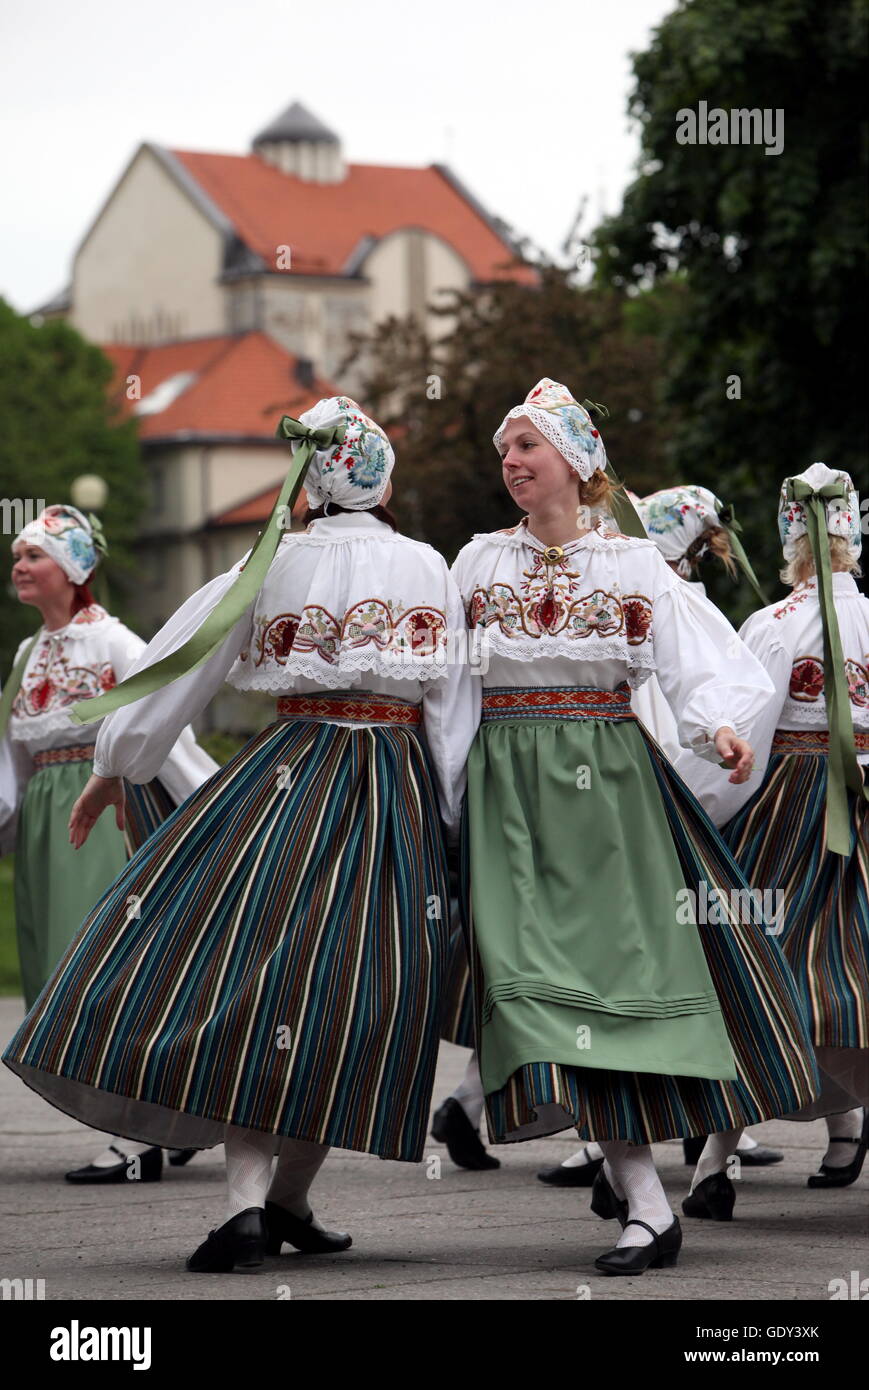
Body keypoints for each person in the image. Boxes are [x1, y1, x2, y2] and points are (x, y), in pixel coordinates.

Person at [3, 398, 479, 1273]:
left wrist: (119, 759)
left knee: (257, 987)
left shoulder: (270, 563)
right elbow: (452, 711)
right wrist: (455, 823)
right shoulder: (429, 567)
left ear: (314, 479)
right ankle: (269, 1204)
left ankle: (262, 1208)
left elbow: (175, 669)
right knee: (358, 1002)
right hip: (394, 794)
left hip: (289, 777)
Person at [451, 378, 818, 1276]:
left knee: (607, 994)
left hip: (607, 788)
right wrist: (444, 795)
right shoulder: (473, 564)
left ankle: (646, 1205)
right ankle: (642, 1198)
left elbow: (704, 660)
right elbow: (448, 694)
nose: (510, 463)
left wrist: (718, 727)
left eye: (527, 448)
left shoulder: (630, 566)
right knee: (531, 990)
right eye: (504, 451)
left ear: (578, 464)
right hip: (509, 793)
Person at [538, 484, 782, 1188]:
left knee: (634, 963)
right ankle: (648, 1137)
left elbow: (690, 719)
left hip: (644, 805)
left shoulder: (655, 597)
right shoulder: (652, 593)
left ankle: (634, 1136)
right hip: (649, 803)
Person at [0, 504, 218, 1183]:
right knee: (54, 966)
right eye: (19, 555)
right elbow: (15, 756)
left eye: (35, 554)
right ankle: (164, 1121)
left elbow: (164, 729)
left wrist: (194, 811)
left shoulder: (118, 644)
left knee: (100, 969)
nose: (20, 565)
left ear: (72, 569)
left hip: (104, 813)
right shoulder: (26, 652)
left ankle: (134, 1136)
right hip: (48, 821)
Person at [681, 462, 868, 1220]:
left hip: (784, 817)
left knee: (757, 980)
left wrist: (695, 813)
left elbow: (741, 746)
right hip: (858, 811)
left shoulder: (770, 625)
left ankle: (712, 1167)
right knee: (853, 979)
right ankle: (835, 1134)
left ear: (788, 538)